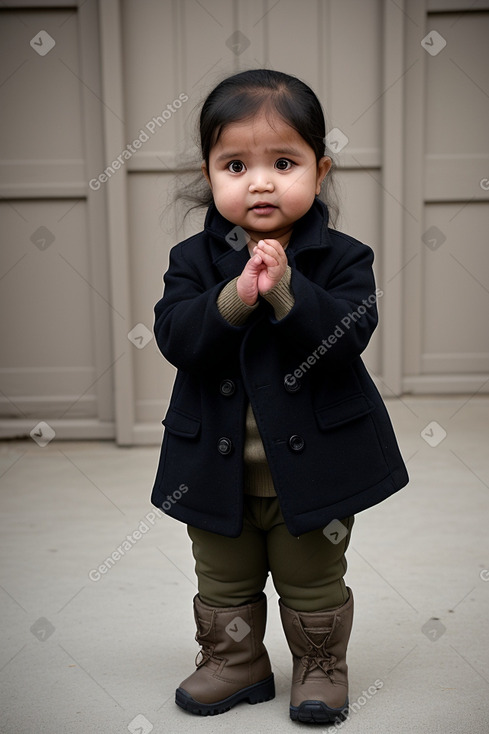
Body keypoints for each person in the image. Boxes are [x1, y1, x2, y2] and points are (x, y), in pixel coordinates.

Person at [151, 68, 408, 724]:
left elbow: (347, 337)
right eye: (235, 164)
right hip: (216, 471)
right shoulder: (192, 260)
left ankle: (320, 668)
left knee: (311, 576)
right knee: (223, 577)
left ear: (318, 173)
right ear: (209, 174)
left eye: (283, 162)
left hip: (315, 469)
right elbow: (177, 337)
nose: (260, 181)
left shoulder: (343, 259)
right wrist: (236, 295)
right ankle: (234, 663)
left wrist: (286, 287)